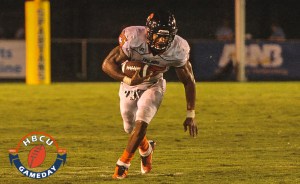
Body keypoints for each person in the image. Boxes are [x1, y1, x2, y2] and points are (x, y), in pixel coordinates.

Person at [102, 10, 198, 179]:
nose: (162, 40)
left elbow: (189, 81)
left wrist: (191, 113)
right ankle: (146, 149)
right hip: (130, 84)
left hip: (155, 84)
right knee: (129, 127)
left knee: (142, 121)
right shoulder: (133, 38)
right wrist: (128, 80)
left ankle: (122, 165)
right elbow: (107, 64)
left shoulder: (178, 49)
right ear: (148, 32)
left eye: (167, 36)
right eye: (159, 35)